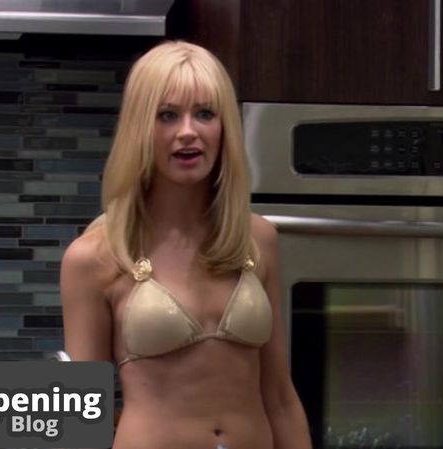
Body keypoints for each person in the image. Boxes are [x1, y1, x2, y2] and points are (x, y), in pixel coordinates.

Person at [59, 41, 312, 449]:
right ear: (140, 128)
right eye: (167, 115)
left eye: (205, 114)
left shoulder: (258, 239)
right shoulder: (94, 257)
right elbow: (82, 420)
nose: (188, 131)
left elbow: (280, 398)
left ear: (224, 127)